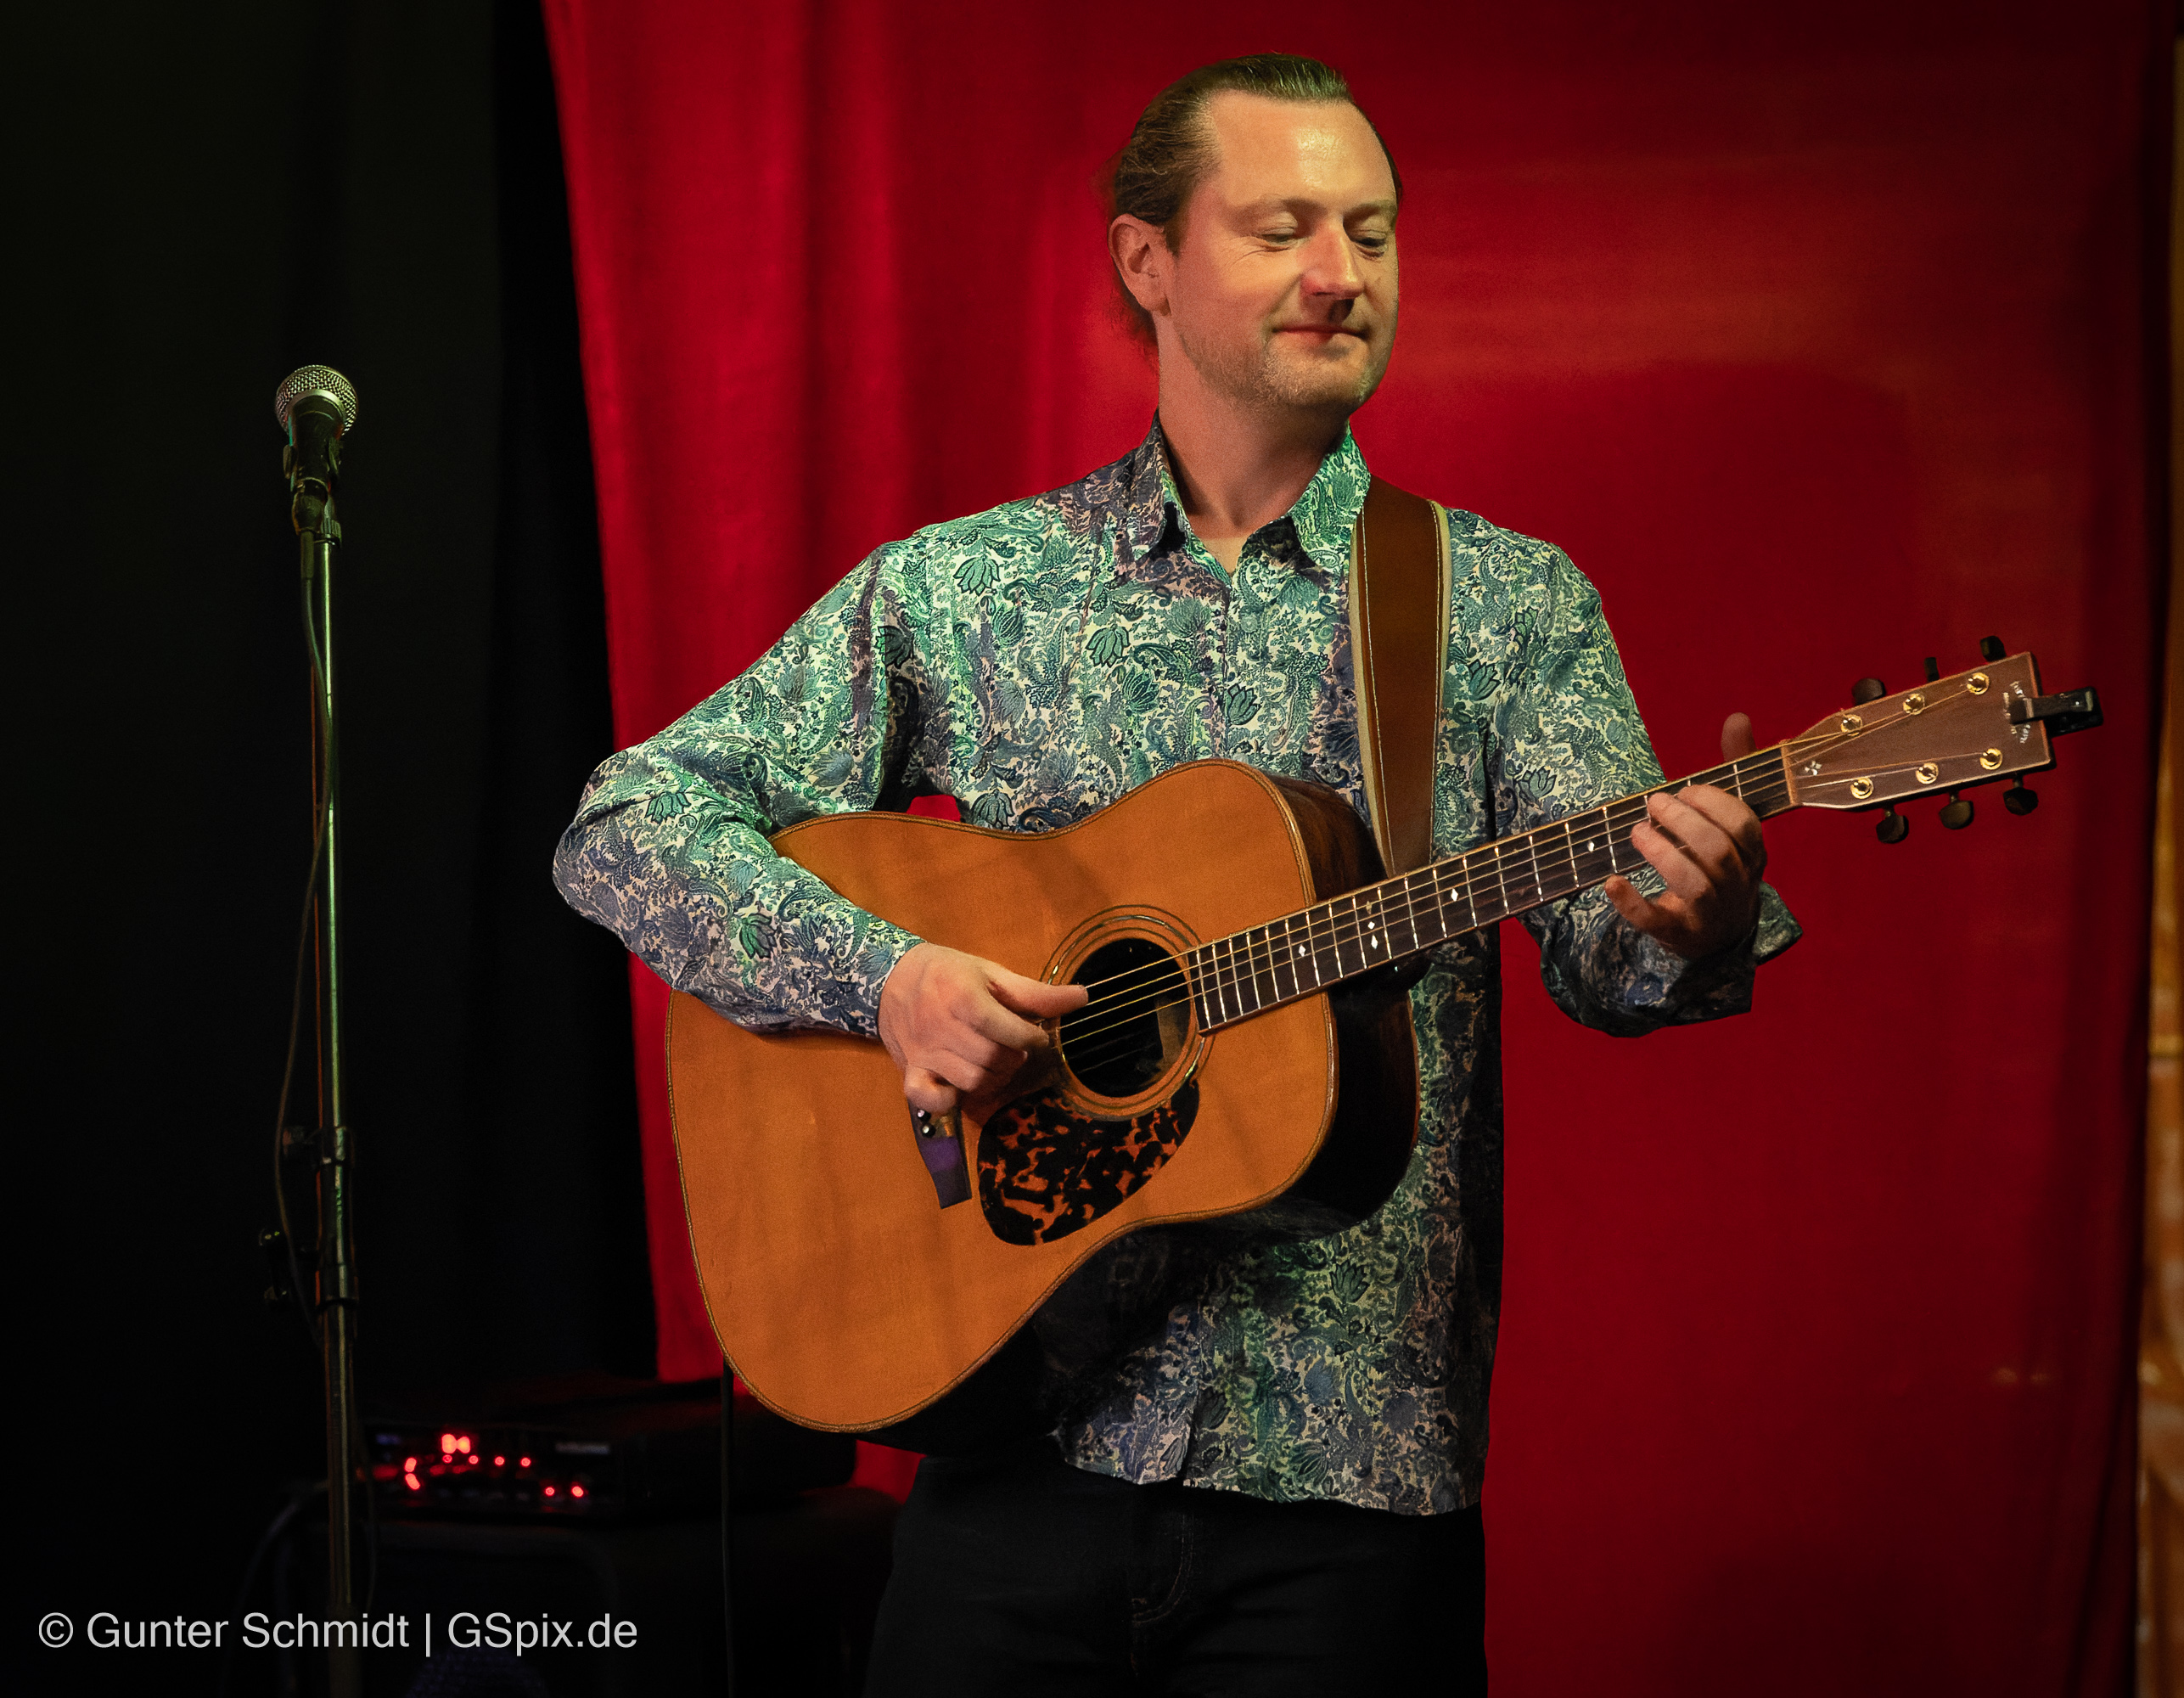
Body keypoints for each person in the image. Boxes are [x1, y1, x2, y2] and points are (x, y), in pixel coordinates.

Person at [555, 52, 1797, 1695]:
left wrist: (1688, 917)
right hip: (1012, 1456)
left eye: (1371, 231)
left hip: (1351, 1493)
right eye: (1283, 228)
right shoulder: (973, 589)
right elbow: (626, 824)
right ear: (1147, 262)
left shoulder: (1499, 604)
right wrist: (889, 979)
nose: (1340, 273)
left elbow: (1607, 955)